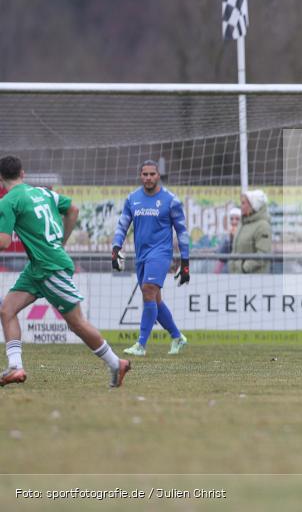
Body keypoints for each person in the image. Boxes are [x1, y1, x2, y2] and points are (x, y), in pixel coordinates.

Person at [0, 155, 130, 387]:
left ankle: (115, 363)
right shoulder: (44, 192)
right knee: (7, 310)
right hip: (38, 267)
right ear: (22, 174)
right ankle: (15, 367)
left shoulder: (8, 201)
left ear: (1, 178)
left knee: (77, 323)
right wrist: (61, 240)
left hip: (50, 267)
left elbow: (4, 242)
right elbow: (73, 209)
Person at [113, 160, 189, 357]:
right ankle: (177, 336)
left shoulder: (171, 200)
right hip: (142, 256)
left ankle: (141, 345)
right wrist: (116, 247)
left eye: (152, 174)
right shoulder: (132, 199)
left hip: (161, 254)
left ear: (158, 175)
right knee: (154, 298)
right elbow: (122, 225)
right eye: (145, 174)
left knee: (148, 290)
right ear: (141, 176)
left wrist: (185, 261)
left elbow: (182, 232)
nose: (148, 178)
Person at [228, 190, 272, 274]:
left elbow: (263, 254)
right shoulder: (242, 223)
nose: (241, 206)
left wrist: (244, 267)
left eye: (243, 203)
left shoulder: (263, 226)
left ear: (253, 205)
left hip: (253, 279)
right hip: (236, 277)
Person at [215, 207, 242, 274]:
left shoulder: (246, 234)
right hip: (228, 271)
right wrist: (230, 239)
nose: (234, 222)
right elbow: (221, 256)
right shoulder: (226, 236)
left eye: (237, 219)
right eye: (232, 219)